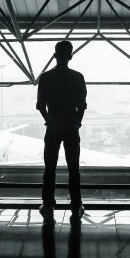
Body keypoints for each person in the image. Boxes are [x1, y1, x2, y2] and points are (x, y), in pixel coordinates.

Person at [36, 40, 87, 219]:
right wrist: (77, 123)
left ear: (55, 55)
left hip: (53, 127)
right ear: (70, 56)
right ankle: (76, 205)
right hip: (71, 127)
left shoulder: (46, 77)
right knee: (74, 169)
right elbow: (82, 106)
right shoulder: (77, 77)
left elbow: (41, 106)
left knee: (50, 168)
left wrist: (49, 120)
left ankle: (48, 205)